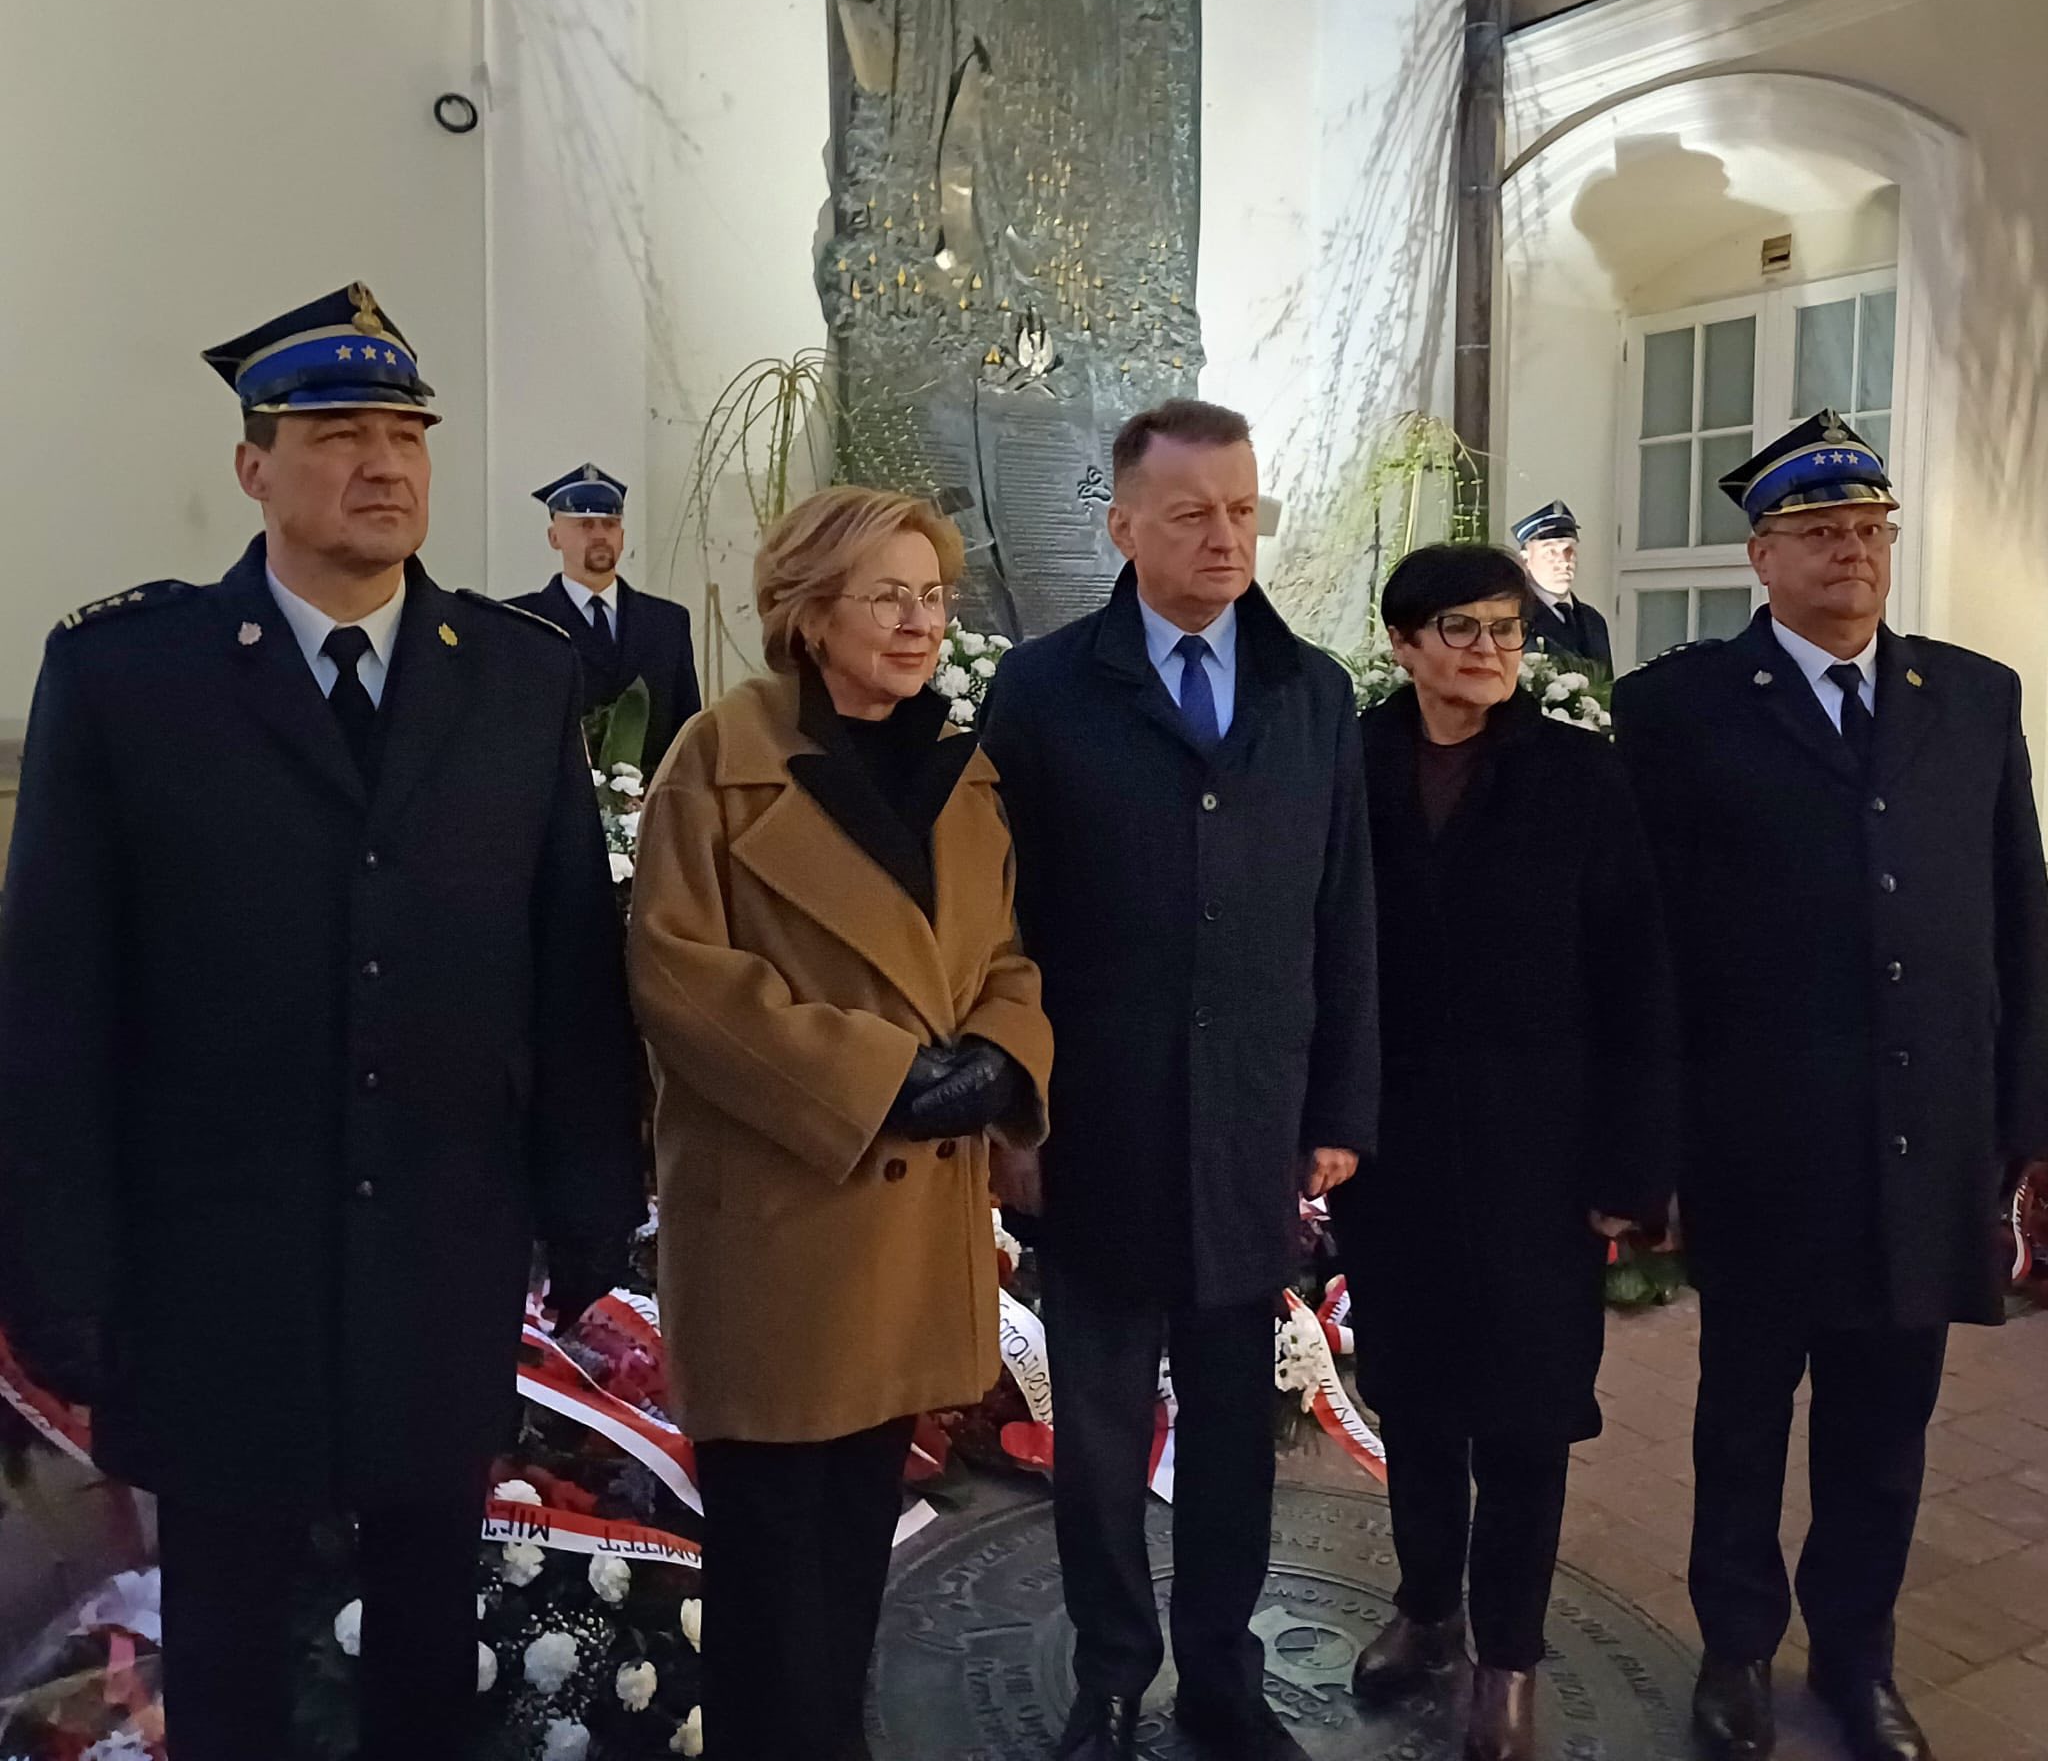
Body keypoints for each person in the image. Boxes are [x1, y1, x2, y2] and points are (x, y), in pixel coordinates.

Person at [0, 285, 643, 1761]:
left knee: (426, 1631)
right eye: (338, 434)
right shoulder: (130, 676)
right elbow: (56, 1000)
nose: (384, 464)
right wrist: (57, 1268)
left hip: (439, 1243)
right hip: (215, 1259)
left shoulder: (517, 676)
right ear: (254, 467)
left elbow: (568, 966)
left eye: (407, 435)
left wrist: (589, 1204)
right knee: (227, 1641)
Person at [1613, 411, 2048, 1761]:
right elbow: (1646, 943)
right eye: (1818, 532)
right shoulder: (1678, 709)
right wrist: (1651, 1146)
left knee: (1883, 1428)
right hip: (1759, 1139)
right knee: (1742, 1419)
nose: (1851, 551)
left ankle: (1858, 1661)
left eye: (1868, 529)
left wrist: (2023, 1120)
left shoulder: (1971, 698)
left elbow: (2018, 912)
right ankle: (1736, 1654)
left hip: (1925, 1140)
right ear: (1761, 556)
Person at [979, 399, 1379, 1761]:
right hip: (1094, 1125)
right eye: (1193, 512)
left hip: (1248, 1124)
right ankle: (1108, 1673)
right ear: (1123, 527)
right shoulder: (1044, 690)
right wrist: (1014, 1112)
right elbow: (998, 918)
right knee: (1096, 1435)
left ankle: (1220, 1672)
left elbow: (1345, 912)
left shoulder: (1308, 693)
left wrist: (1338, 1110)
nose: (1224, 536)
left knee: (1229, 1430)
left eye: (1242, 510)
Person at [627, 485, 1053, 1761]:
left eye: (932, 596)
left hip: (908, 1227)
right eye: (887, 597)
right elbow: (678, 974)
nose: (920, 622)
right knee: (770, 1552)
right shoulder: (719, 756)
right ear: (810, 614)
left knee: (856, 1532)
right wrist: (877, 1078)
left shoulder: (961, 768)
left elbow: (1005, 954)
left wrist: (999, 1057)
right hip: (781, 1214)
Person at [1331, 543, 1677, 1761]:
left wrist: (1630, 1168)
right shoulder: (1351, 767)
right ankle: (1427, 1607)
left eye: (1505, 629)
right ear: (1403, 642)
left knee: (1526, 1416)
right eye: (1461, 627)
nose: (1488, 650)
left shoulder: (1578, 774)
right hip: (1394, 1150)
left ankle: (1508, 1658)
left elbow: (1636, 976)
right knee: (1413, 1398)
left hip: (1541, 1155)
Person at [512, 463, 702, 770]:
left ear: (622, 536)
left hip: (653, 796)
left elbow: (687, 734)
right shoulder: (520, 623)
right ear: (554, 537)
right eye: (585, 525)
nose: (600, 535)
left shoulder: (667, 624)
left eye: (610, 524)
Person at [1512, 500, 1611, 674]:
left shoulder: (1593, 620)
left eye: (1569, 550)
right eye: (1550, 552)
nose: (1564, 561)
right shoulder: (1515, 617)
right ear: (1524, 560)